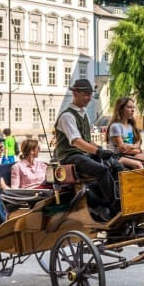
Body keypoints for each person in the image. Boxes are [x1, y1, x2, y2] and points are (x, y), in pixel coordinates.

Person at [55, 78, 120, 221]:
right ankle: (115, 207)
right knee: (101, 170)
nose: (89, 98)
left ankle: (119, 197)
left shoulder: (83, 114)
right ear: (75, 93)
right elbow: (76, 141)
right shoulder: (67, 116)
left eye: (90, 94)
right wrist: (97, 152)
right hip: (70, 157)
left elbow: (86, 140)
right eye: (85, 94)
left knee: (115, 164)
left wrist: (101, 149)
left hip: (82, 154)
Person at [108, 96, 144, 169]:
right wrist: (138, 149)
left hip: (132, 154)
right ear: (120, 109)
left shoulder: (131, 126)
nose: (132, 110)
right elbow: (122, 149)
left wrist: (133, 147)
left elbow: (137, 143)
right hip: (118, 156)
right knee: (138, 165)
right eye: (129, 107)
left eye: (133, 107)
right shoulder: (115, 126)